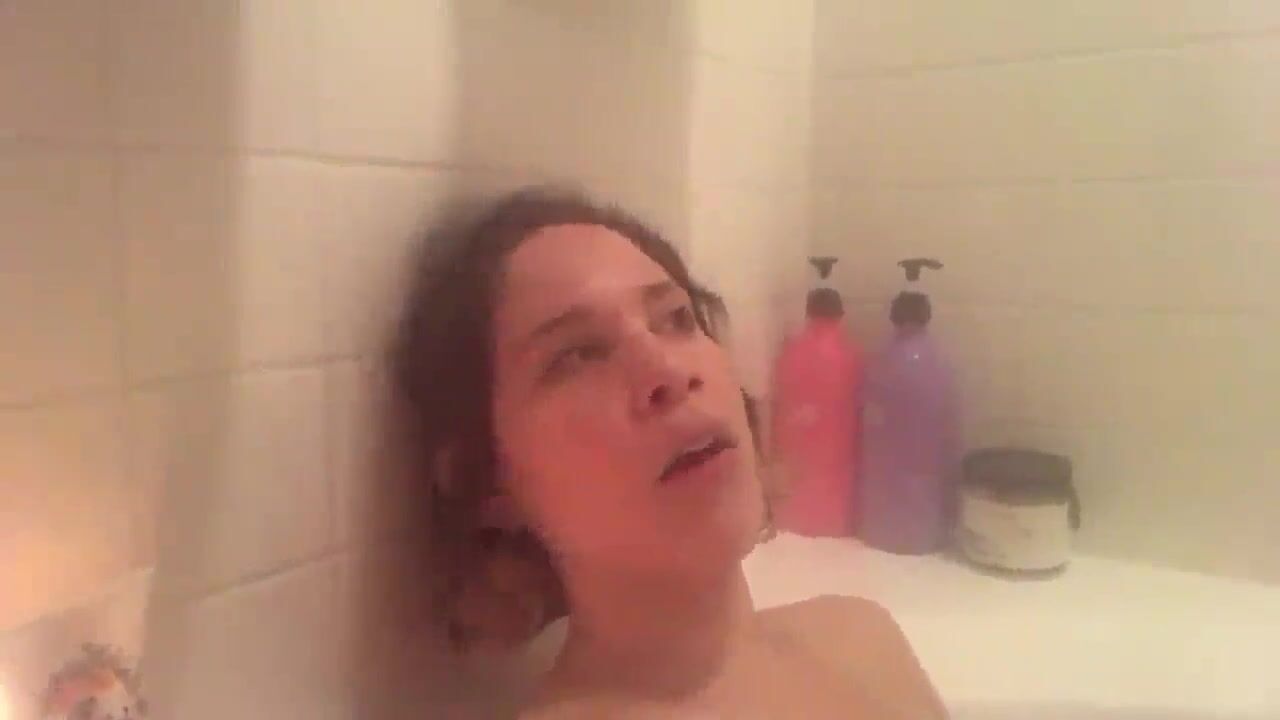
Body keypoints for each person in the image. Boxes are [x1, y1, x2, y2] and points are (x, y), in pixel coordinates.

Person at [391, 188, 948, 718]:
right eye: (577, 355)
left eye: (677, 319)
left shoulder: (860, 636)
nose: (669, 371)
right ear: (490, 480)